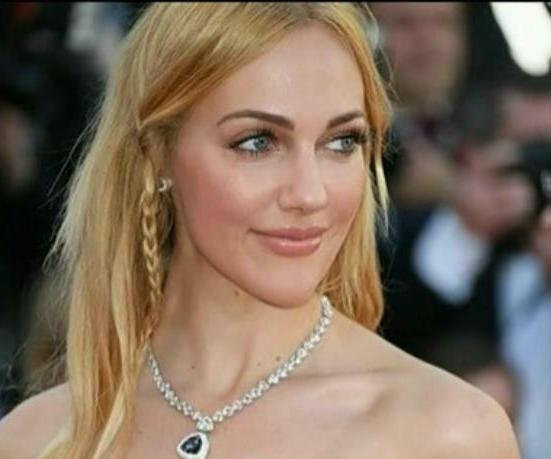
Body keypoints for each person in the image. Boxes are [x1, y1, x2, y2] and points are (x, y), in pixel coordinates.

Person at [0, 3, 520, 458]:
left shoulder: (444, 433)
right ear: (156, 153)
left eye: (341, 142)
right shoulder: (37, 438)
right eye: (257, 143)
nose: (310, 194)